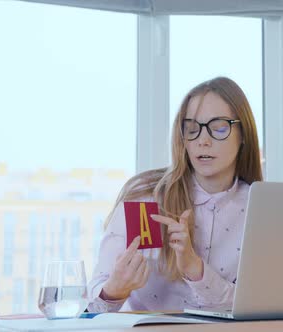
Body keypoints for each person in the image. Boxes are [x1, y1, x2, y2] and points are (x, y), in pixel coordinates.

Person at [87, 77, 263, 312]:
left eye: (219, 128)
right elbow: (92, 307)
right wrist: (113, 292)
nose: (203, 140)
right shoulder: (145, 197)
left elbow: (256, 307)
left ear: (243, 135)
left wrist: (194, 268)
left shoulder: (261, 209)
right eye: (192, 129)